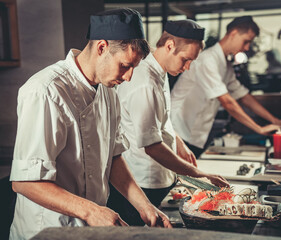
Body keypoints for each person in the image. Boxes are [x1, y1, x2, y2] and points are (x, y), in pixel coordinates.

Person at [9, 8, 172, 240]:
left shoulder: (109, 92)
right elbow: (25, 182)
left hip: (90, 228)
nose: (129, 77)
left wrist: (144, 205)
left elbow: (114, 157)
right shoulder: (45, 91)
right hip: (45, 230)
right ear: (102, 47)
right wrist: (92, 211)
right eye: (125, 65)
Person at [108, 19, 230, 226]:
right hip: (142, 180)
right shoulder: (144, 82)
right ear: (169, 45)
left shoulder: (160, 71)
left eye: (192, 61)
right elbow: (152, 147)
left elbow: (161, 121)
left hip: (160, 176)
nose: (188, 67)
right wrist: (201, 174)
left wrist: (178, 141)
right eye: (185, 60)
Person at [170, 16, 281, 158]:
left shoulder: (226, 65)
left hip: (195, 133)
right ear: (233, 33)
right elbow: (227, 101)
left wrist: (275, 121)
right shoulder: (207, 60)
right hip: (178, 130)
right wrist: (259, 129)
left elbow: (243, 96)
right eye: (246, 41)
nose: (247, 47)